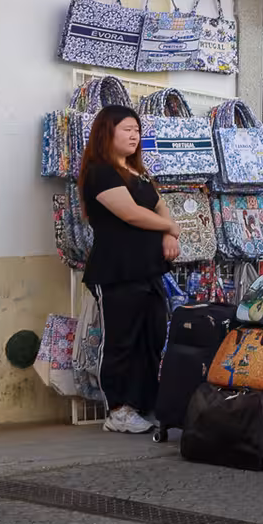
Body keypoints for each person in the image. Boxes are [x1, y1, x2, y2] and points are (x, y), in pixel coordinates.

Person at [78, 105, 179, 435]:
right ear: (108, 132)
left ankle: (141, 403)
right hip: (116, 269)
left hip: (148, 269)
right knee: (121, 339)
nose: (134, 135)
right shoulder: (101, 172)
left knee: (152, 336)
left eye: (137, 129)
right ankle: (118, 409)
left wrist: (166, 231)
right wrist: (173, 229)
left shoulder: (140, 172)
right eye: (127, 129)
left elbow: (158, 203)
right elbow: (131, 213)